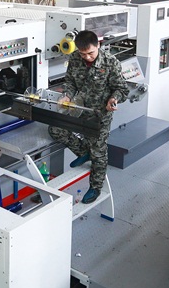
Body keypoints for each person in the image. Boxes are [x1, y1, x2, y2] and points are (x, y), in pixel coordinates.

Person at [49, 30, 128, 204]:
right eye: (83, 53)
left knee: (98, 152)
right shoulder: (75, 59)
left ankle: (95, 187)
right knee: (55, 129)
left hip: (100, 114)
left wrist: (113, 99)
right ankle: (83, 152)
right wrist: (67, 96)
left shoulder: (110, 62)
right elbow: (70, 82)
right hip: (78, 108)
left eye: (90, 53)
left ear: (98, 45)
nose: (87, 57)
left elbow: (122, 89)